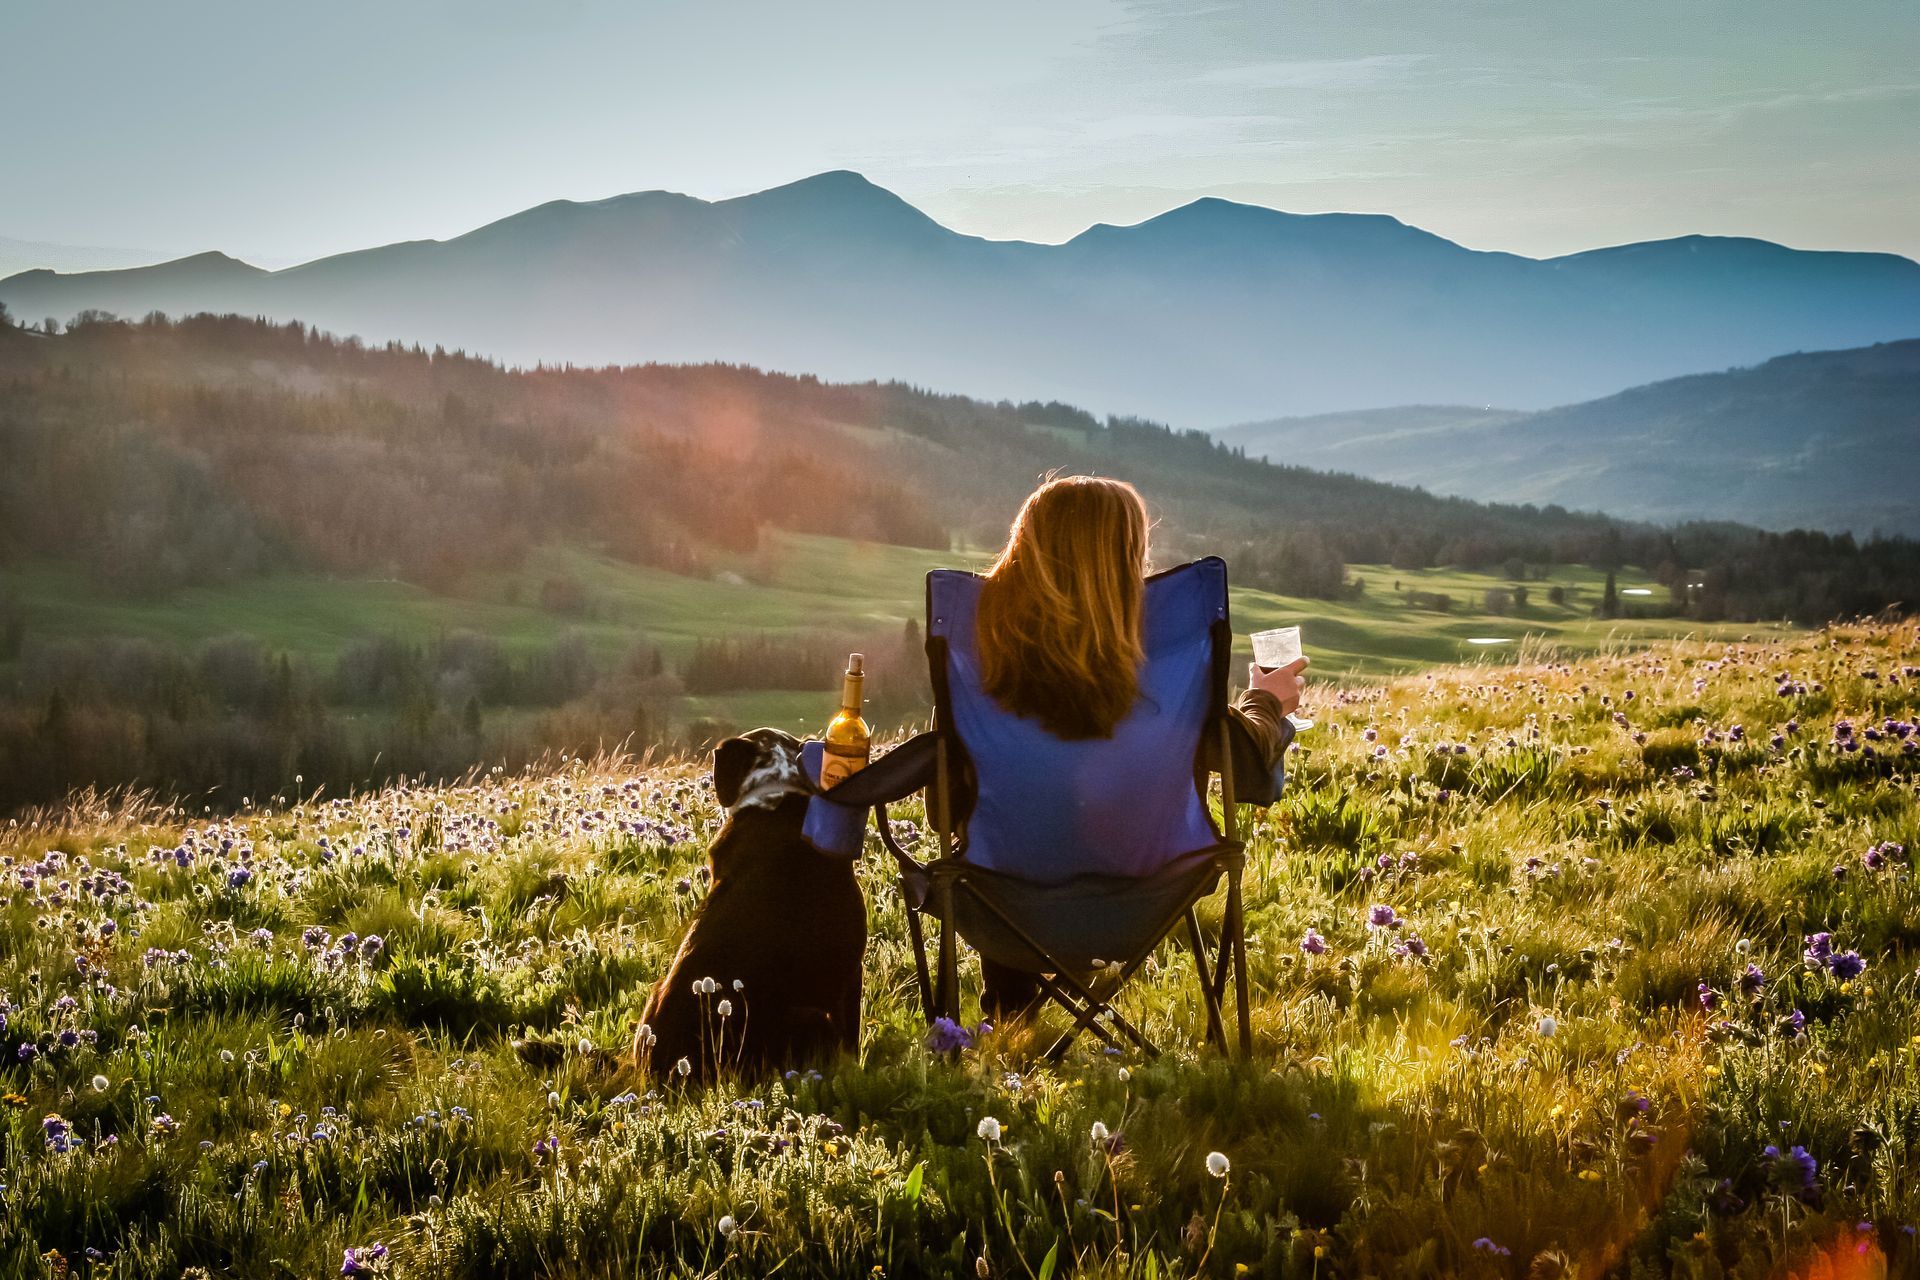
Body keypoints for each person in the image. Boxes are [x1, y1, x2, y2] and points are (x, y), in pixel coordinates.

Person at [972, 474, 1305, 1015]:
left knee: (1017, 827)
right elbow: (1247, 772)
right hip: (1150, 893)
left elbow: (945, 807)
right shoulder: (1167, 656)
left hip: (1003, 898)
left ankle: (1011, 1016)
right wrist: (1266, 702)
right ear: (1128, 558)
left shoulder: (978, 649)